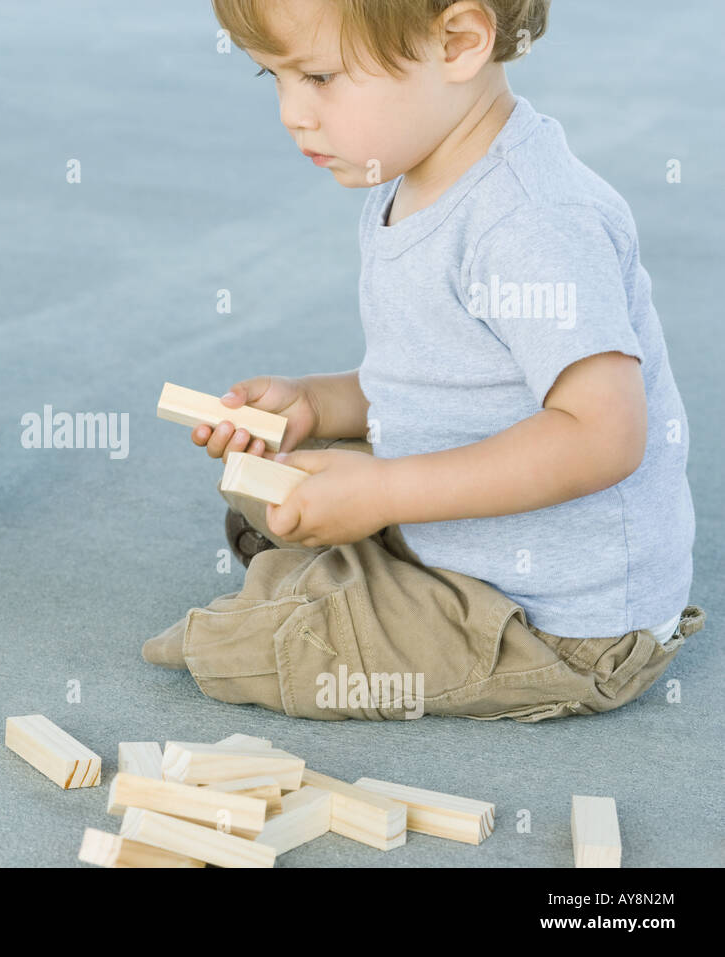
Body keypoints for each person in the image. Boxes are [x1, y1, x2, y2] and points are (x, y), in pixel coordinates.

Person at [142, 0, 705, 720]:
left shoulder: (532, 223)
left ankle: (343, 582)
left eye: (318, 75)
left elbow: (604, 434)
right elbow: (443, 381)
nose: (292, 112)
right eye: (272, 75)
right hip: (472, 542)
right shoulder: (412, 168)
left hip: (558, 622)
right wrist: (318, 401)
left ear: (460, 42)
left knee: (265, 640)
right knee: (273, 480)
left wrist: (382, 493)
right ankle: (355, 561)